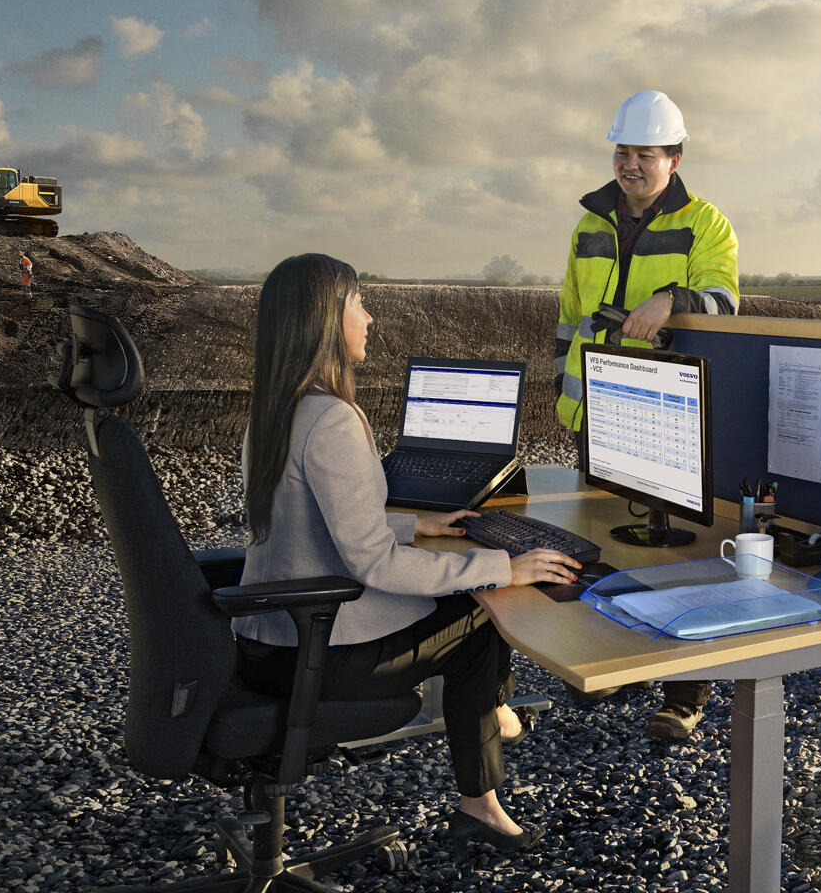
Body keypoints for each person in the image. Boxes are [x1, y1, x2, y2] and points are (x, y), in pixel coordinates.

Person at [236, 254, 579, 851]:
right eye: (358, 305)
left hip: (266, 638)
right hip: (317, 651)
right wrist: (506, 567)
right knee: (479, 616)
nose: (369, 319)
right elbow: (374, 566)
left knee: (473, 600)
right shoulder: (332, 419)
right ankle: (482, 800)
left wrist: (417, 525)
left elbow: (315, 527)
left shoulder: (273, 409)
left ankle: (492, 722)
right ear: (324, 321)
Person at [554, 89, 739, 740]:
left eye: (645, 153)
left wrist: (672, 298)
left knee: (679, 551)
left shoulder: (705, 224)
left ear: (674, 157)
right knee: (606, 543)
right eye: (623, 151)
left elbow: (724, 304)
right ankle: (622, 663)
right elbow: (571, 317)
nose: (630, 164)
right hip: (594, 410)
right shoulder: (589, 225)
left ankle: (684, 692)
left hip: (667, 412)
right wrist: (566, 398)